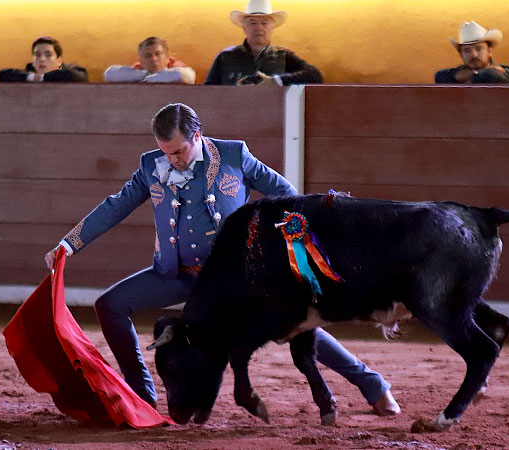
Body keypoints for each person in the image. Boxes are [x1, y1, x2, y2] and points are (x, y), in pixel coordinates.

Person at [44, 103, 399, 416]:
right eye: (166, 153)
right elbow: (115, 206)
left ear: (197, 136)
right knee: (110, 305)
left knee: (290, 329)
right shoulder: (151, 166)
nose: (172, 160)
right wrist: (69, 244)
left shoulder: (233, 155)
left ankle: (372, 385)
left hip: (234, 282)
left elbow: (286, 195)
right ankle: (141, 393)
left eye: (179, 151)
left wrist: (267, 242)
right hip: (176, 273)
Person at [204, 0, 322, 85]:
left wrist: (276, 81)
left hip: (274, 117)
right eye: (253, 23)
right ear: (244, 27)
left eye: (264, 23)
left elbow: (314, 75)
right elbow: (208, 91)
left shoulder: (284, 56)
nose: (259, 28)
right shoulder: (225, 57)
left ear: (272, 27)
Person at [435, 21, 509, 84]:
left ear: (490, 51)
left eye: (479, 48)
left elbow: (495, 76)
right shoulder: (457, 72)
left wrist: (470, 76)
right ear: (461, 55)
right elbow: (439, 76)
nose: (474, 55)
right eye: (467, 50)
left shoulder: (506, 72)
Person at [104, 36, 196, 84]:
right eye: (148, 56)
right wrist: (146, 75)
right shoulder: (139, 70)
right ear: (141, 61)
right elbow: (109, 74)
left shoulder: (176, 67)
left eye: (158, 54)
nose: (154, 59)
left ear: (167, 57)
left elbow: (186, 75)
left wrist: (147, 79)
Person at [0, 36, 88, 82]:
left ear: (59, 61)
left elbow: (78, 76)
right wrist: (32, 77)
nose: (42, 59)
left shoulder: (69, 70)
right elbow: (2, 74)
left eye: (48, 55)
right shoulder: (28, 72)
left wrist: (41, 77)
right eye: (37, 55)